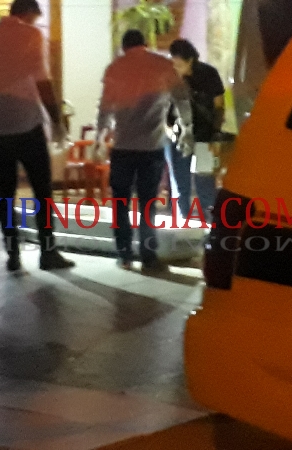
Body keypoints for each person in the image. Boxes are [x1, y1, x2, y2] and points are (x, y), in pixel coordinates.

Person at [0, 0, 74, 272]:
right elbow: (42, 80)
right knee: (42, 190)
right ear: (29, 14)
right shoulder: (31, 35)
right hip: (25, 122)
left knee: (5, 190)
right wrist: (57, 121)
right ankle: (48, 253)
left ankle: (12, 255)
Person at [95, 30, 193, 273]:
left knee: (121, 201)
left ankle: (124, 254)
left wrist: (99, 138)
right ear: (145, 44)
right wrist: (187, 127)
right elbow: (182, 98)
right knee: (148, 202)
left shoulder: (115, 68)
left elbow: (105, 108)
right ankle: (148, 255)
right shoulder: (162, 65)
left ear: (124, 47)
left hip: (123, 147)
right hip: (152, 146)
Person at [168, 39, 225, 223]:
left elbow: (219, 106)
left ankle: (209, 222)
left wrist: (216, 136)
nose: (175, 68)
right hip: (179, 137)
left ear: (190, 60)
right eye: (173, 63)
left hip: (204, 136)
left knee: (205, 181)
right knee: (180, 183)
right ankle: (183, 221)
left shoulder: (209, 74)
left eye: (179, 64)